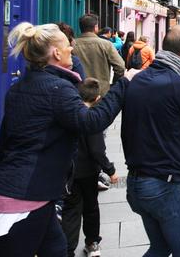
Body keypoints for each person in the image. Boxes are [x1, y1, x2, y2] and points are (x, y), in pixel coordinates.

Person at [0, 22, 127, 255]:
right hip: (22, 202)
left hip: (35, 194)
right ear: (56, 53)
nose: (72, 47)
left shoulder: (23, 87)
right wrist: (124, 84)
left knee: (58, 250)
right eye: (67, 45)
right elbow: (91, 122)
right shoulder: (57, 89)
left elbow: (5, 144)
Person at [121, 25, 180, 257]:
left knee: (160, 248)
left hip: (138, 183)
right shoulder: (179, 84)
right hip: (167, 185)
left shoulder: (139, 79)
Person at [61, 78, 118, 257]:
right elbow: (97, 150)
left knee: (71, 209)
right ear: (97, 99)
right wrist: (110, 170)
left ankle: (67, 248)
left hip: (69, 171)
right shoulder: (91, 119)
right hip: (88, 172)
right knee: (91, 207)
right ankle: (92, 242)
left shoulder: (69, 114)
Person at [74, 14, 125, 96]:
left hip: (78, 92)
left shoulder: (72, 45)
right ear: (96, 27)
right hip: (101, 92)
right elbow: (120, 66)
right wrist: (114, 84)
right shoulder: (106, 45)